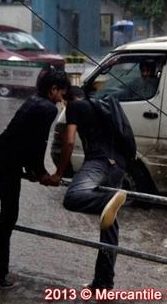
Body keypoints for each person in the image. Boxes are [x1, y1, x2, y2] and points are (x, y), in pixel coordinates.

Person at [0, 70, 71, 288]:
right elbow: (37, 143)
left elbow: (22, 137)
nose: (62, 98)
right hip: (7, 164)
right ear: (53, 90)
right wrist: (41, 172)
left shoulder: (33, 100)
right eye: (61, 93)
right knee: (8, 216)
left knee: (7, 215)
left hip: (1, 157)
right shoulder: (47, 108)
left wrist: (34, 170)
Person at [46, 83, 128, 289]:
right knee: (108, 223)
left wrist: (58, 173)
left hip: (97, 163)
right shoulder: (102, 106)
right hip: (118, 166)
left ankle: (109, 200)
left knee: (72, 197)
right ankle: (103, 281)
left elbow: (70, 141)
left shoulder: (74, 106)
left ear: (68, 99)